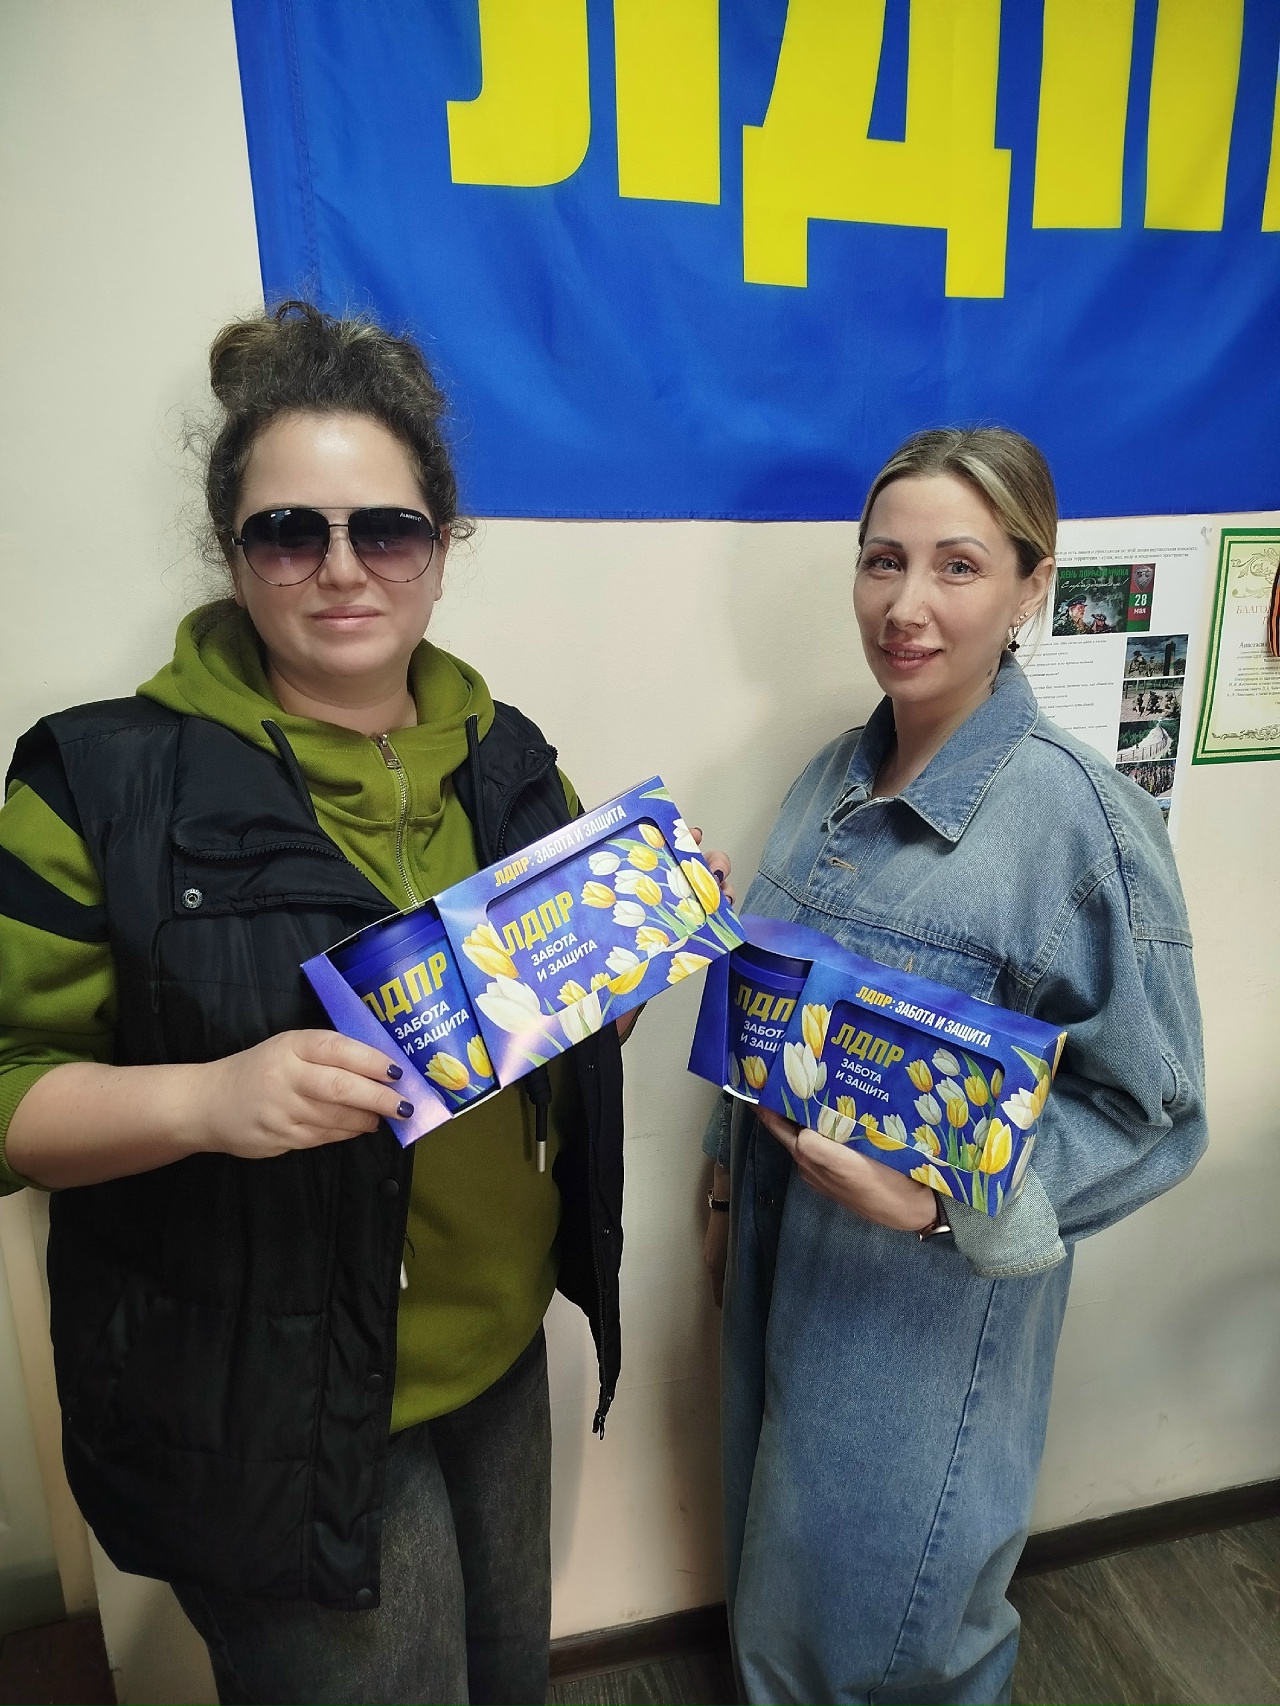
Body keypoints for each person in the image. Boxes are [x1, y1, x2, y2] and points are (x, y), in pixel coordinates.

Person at [0, 301, 728, 1706]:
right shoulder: (97, 783)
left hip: (493, 1350)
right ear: (232, 551)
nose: (341, 568)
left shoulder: (514, 763)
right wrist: (205, 1099)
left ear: (441, 547)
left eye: (385, 528)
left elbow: (544, 1041)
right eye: (289, 531)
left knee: (504, 1679)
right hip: (266, 1405)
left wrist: (624, 968)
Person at [700, 427, 1206, 1705]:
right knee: (778, 1607)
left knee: (886, 1637)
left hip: (918, 1321)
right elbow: (772, 1012)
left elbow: (1152, 1111)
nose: (904, 604)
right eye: (882, 561)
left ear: (1031, 586)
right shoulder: (829, 773)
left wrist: (940, 1201)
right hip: (776, 1261)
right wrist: (720, 1186)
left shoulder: (1077, 822)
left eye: (957, 566)